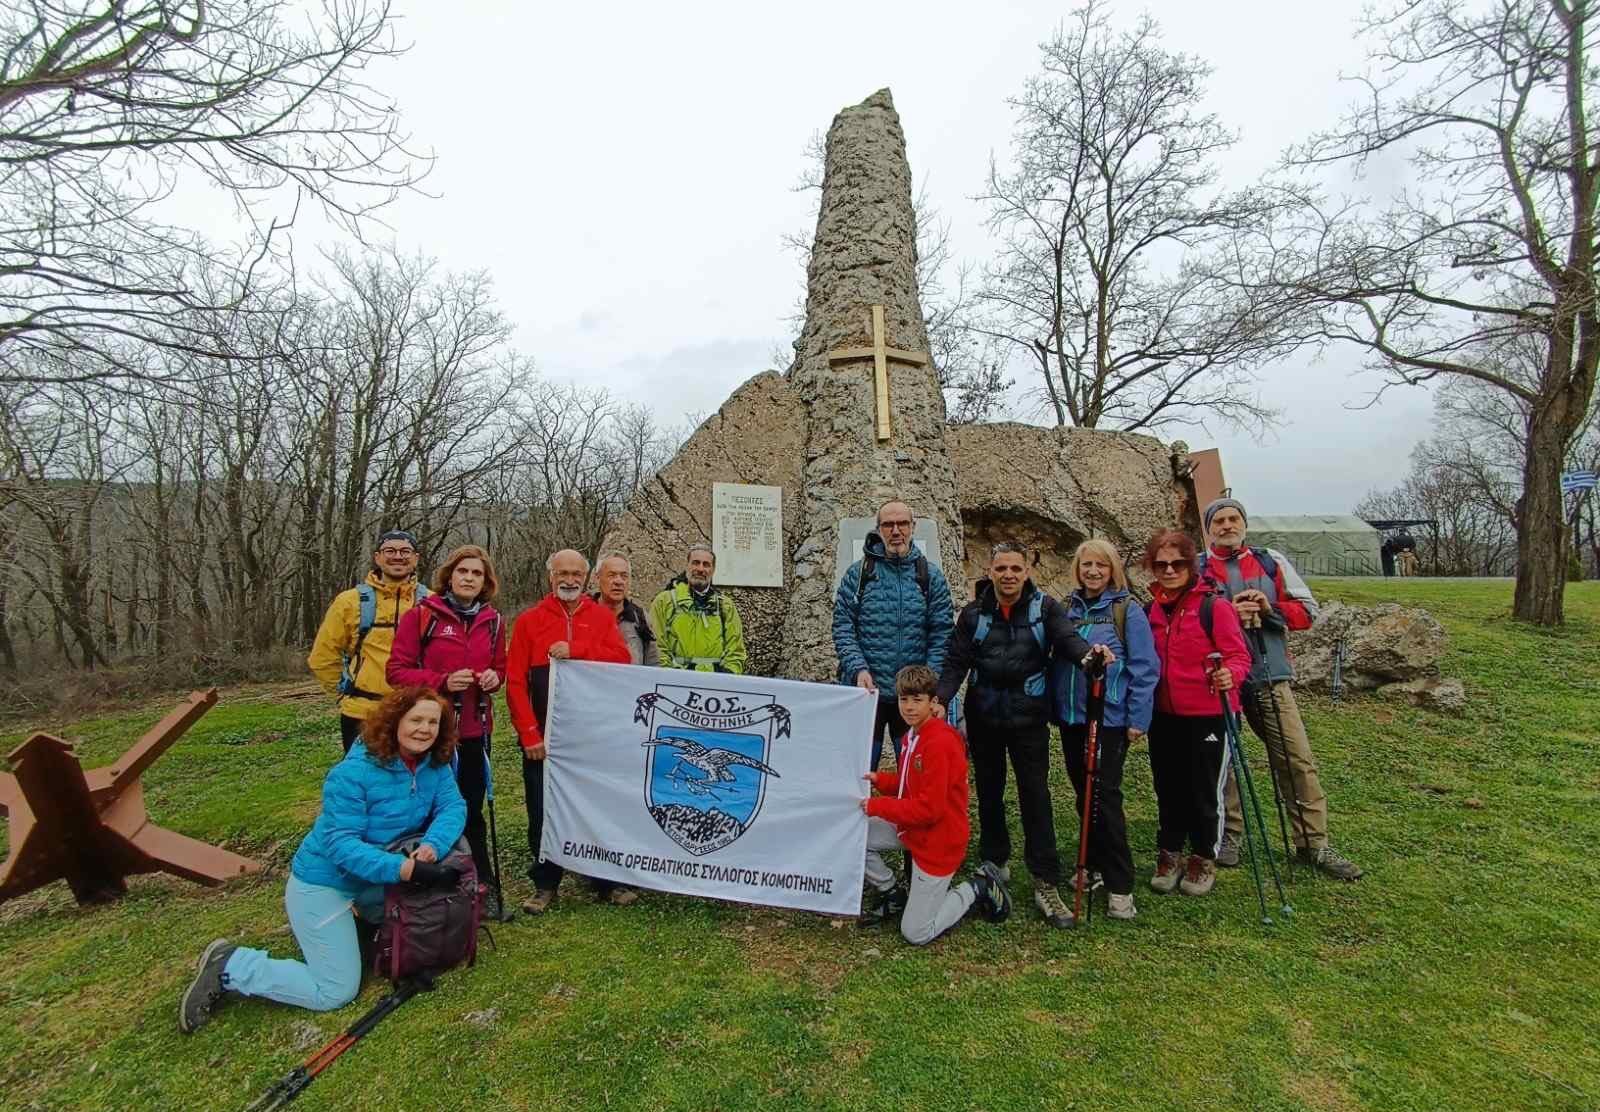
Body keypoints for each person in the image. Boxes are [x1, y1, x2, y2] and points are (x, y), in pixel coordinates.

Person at [178, 686, 466, 1032]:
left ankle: (363, 929)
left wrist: (433, 844)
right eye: (416, 720)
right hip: (326, 883)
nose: (425, 729)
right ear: (393, 722)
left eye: (433, 722)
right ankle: (233, 965)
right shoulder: (353, 773)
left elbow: (453, 806)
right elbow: (341, 845)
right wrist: (404, 869)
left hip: (377, 881)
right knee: (335, 991)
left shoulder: (434, 763)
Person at [936, 542, 1110, 930]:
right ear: (990, 570)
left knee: (1036, 796)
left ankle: (1045, 879)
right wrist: (940, 699)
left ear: (1026, 570)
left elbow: (1067, 640)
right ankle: (995, 863)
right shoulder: (974, 614)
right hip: (984, 718)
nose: (1009, 575)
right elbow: (955, 662)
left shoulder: (1045, 609)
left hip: (1029, 719)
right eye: (1001, 569)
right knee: (990, 793)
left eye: (1016, 568)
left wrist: (1087, 656)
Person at [1200, 498, 1363, 880]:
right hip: (1220, 678)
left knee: (1295, 758)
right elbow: (1191, 619)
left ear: (1243, 523)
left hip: (1269, 673)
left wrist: (1268, 608)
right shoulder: (1199, 567)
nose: (1227, 526)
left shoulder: (1270, 560)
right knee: (1224, 763)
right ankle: (1229, 834)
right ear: (1209, 529)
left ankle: (1313, 841)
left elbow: (1309, 611)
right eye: (1219, 521)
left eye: (1233, 519)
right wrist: (1227, 613)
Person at [506, 549, 633, 914]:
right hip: (544, 738)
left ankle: (605, 879)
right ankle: (545, 882)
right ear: (550, 576)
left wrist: (576, 650)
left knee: (597, 804)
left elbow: (621, 660)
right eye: (563, 572)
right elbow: (515, 683)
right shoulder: (530, 621)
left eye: (577, 573)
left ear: (587, 578)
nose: (570, 580)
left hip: (592, 736)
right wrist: (529, 733)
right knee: (542, 810)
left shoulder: (601, 617)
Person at [387, 544, 510, 920]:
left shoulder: (494, 622)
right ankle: (423, 885)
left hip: (473, 731)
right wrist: (441, 681)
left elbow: (500, 671)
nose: (469, 578)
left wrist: (493, 679)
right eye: (463, 572)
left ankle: (480, 886)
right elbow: (396, 671)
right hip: (428, 732)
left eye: (477, 574)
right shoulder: (422, 617)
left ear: (485, 582)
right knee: (425, 809)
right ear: (450, 576)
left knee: (471, 810)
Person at [1048, 539, 1160, 921]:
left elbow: (1145, 668)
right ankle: (1091, 863)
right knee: (1084, 792)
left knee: (1105, 797)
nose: (1093, 572)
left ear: (1113, 570)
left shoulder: (1126, 611)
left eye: (1101, 565)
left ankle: (1119, 883)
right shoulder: (1067, 609)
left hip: (1108, 718)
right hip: (1073, 718)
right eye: (1086, 565)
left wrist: (1137, 719)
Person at [860, 665, 1011, 942]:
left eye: (917, 700)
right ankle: (892, 891)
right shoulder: (912, 735)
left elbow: (929, 810)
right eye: (904, 700)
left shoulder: (940, 742)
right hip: (913, 830)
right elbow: (910, 783)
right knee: (856, 833)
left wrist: (877, 806)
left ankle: (976, 887)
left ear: (933, 702)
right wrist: (880, 779)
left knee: (915, 932)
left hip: (939, 842)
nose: (909, 707)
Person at [1142, 529, 1252, 898]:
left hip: (1209, 713)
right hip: (1164, 713)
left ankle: (1204, 856)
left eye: (1177, 563)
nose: (1169, 570)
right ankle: (1169, 854)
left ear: (1191, 565)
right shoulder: (1151, 609)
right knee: (1168, 786)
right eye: (1161, 564)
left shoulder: (1213, 606)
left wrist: (1229, 674)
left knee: (1205, 789)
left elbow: (1239, 656)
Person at [832, 499, 955, 773]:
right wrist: (857, 668)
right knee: (858, 773)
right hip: (867, 693)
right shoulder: (859, 574)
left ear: (913, 527)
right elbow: (842, 625)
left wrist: (927, 681)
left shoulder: (930, 576)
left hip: (912, 695)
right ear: (878, 529)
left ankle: (910, 817)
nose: (896, 531)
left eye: (902, 524)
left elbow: (942, 632)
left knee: (916, 776)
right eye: (888, 524)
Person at [307, 529, 431, 753]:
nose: (398, 556)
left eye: (405, 551)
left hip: (416, 712)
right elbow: (323, 657)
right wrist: (346, 692)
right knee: (364, 784)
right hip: (362, 714)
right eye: (390, 550)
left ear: (416, 558)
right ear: (377, 557)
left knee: (416, 783)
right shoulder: (350, 602)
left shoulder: (432, 602)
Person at [650, 543, 747, 674]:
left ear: (713, 570)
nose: (700, 569)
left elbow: (736, 651)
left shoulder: (725, 606)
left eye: (706, 564)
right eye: (696, 563)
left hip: (716, 684)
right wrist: (673, 674)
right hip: (675, 682)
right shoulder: (664, 601)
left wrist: (727, 674)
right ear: (687, 566)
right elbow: (657, 647)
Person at [593, 551, 660, 666]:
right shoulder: (582, 613)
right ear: (597, 578)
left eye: (624, 576)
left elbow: (653, 665)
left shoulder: (640, 618)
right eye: (612, 575)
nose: (618, 582)